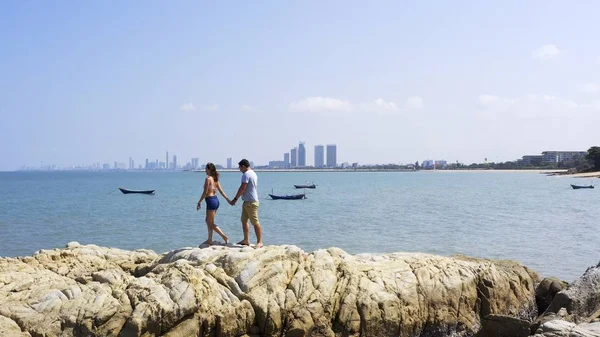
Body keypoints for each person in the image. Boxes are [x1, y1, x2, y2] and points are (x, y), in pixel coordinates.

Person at [229, 159, 263, 248]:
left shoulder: (246, 174)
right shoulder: (253, 173)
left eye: (240, 167)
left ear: (243, 166)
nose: (239, 169)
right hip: (247, 201)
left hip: (251, 202)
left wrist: (235, 199)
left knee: (255, 222)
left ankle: (259, 242)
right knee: (244, 221)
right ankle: (246, 240)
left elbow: (242, 187)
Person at [196, 162, 229, 246]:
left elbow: (205, 192)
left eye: (206, 169)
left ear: (209, 169)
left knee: (209, 222)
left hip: (210, 201)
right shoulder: (215, 179)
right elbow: (221, 191)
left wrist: (199, 202)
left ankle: (224, 236)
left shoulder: (208, 179)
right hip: (216, 200)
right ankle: (210, 239)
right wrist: (228, 200)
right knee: (210, 221)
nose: (205, 171)